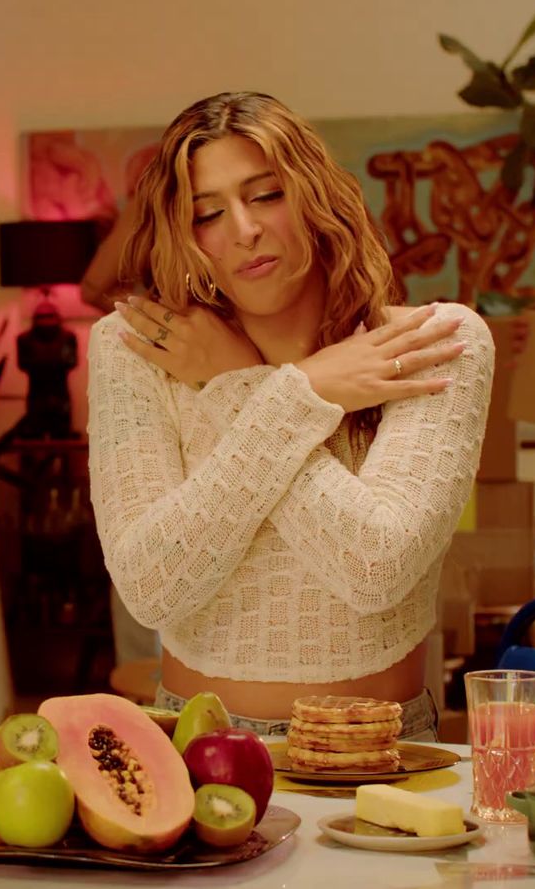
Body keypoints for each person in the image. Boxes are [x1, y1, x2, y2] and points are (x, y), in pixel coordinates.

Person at [86, 92, 495, 739]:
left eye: (266, 194)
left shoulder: (433, 344)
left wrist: (237, 382)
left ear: (314, 194)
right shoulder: (139, 348)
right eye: (208, 212)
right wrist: (295, 391)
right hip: (194, 745)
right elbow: (151, 585)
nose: (243, 229)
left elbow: (376, 569)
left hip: (379, 752)